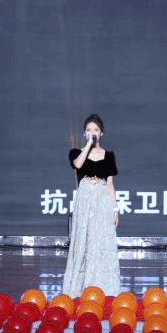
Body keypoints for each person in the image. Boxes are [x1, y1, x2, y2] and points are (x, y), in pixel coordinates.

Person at [61, 113, 120, 296]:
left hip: (102, 199)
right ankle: (79, 288)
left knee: (101, 241)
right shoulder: (76, 152)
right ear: (84, 133)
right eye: (88, 130)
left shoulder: (109, 156)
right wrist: (88, 145)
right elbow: (78, 165)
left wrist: (115, 209)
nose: (92, 132)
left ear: (101, 133)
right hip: (85, 199)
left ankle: (103, 288)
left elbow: (110, 184)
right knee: (84, 239)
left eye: (95, 130)